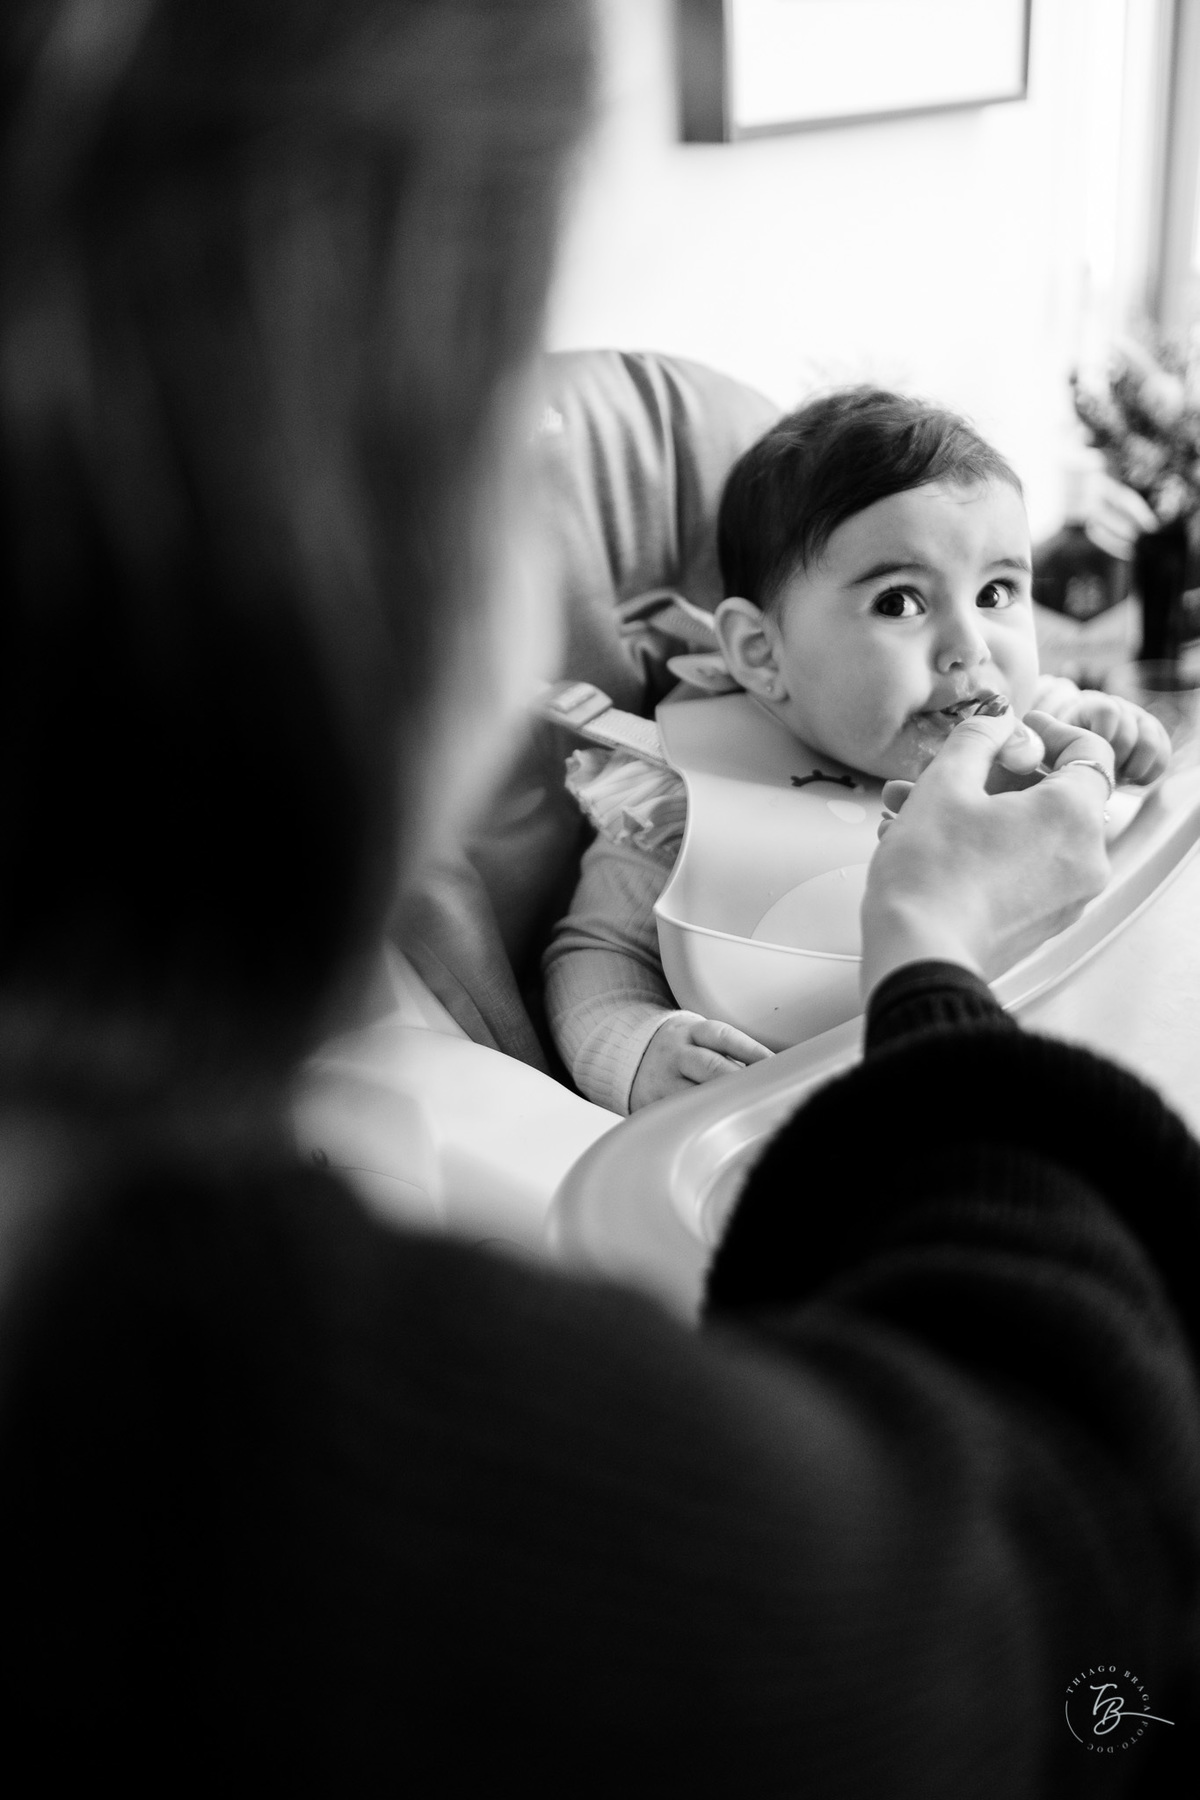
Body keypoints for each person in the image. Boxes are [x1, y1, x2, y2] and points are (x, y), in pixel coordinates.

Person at [1, 3, 1197, 1795]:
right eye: (493, 435)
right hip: (836, 1184)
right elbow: (1086, 1649)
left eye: (1005, 593)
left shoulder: (1011, 752)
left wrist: (1095, 753)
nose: (972, 645)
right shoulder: (662, 796)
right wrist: (883, 977)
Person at [543, 390, 1173, 1112]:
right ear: (760, 652)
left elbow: (1098, 759)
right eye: (900, 602)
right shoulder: (678, 796)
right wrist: (632, 1048)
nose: (971, 647)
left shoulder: (1039, 729)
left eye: (997, 592)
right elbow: (594, 954)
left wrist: (1113, 730)